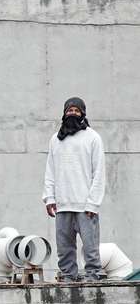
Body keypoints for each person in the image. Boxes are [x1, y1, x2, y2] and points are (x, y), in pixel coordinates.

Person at [43, 97, 105, 282]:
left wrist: (93, 203)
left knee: (90, 247)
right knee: (64, 248)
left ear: (83, 114)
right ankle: (69, 278)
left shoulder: (93, 137)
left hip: (85, 205)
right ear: (64, 113)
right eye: (69, 110)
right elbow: (50, 170)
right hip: (62, 204)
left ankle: (93, 278)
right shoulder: (56, 139)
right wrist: (49, 198)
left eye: (76, 110)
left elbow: (99, 172)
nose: (72, 113)